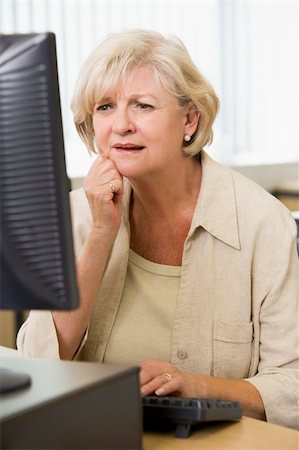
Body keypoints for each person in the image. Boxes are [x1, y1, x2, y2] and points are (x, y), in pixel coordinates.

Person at [17, 29, 298, 429]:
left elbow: (293, 387)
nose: (121, 125)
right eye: (105, 107)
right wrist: (101, 235)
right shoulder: (79, 213)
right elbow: (38, 360)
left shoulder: (262, 223)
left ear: (189, 119)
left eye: (143, 106)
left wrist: (198, 387)